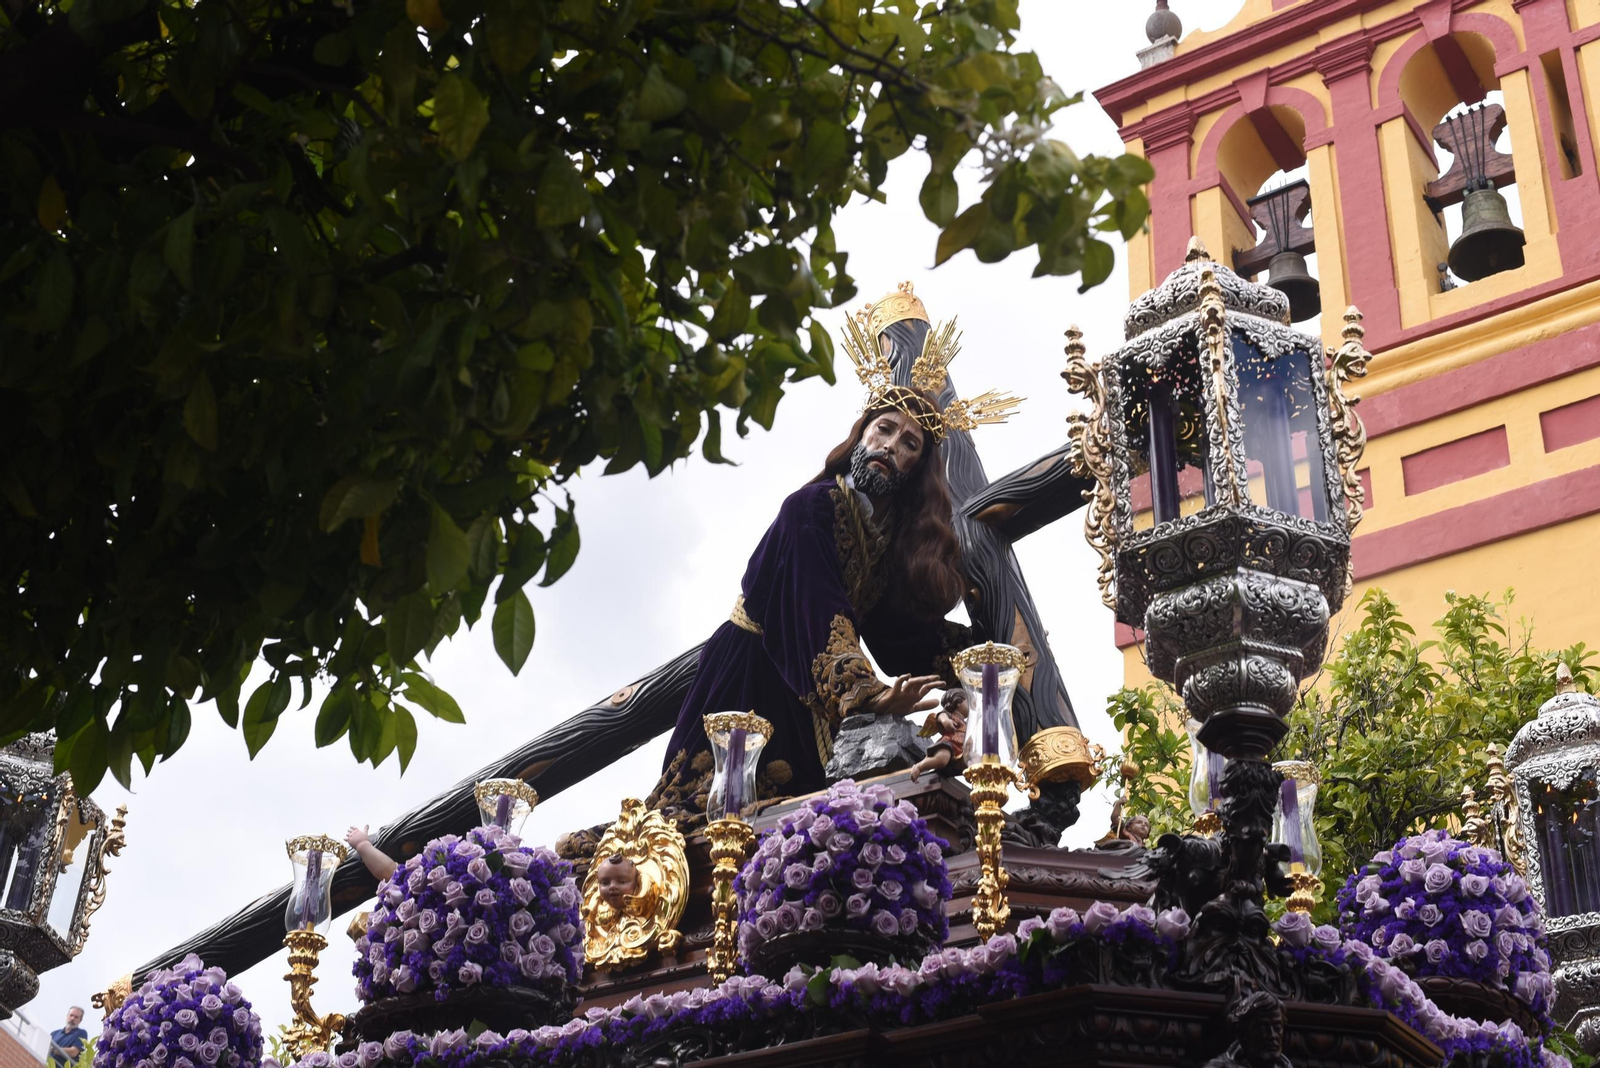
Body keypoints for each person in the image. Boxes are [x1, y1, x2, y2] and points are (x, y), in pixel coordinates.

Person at [559, 284, 1018, 860]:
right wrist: (868, 694)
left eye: (908, 443)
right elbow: (818, 606)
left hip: (806, 691)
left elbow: (896, 627)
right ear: (861, 432)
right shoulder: (813, 507)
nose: (891, 446)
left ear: (916, 467)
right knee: (719, 827)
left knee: (799, 835)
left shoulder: (878, 534)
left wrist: (971, 663)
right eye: (884, 429)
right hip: (750, 677)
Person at [909, 690, 969, 782]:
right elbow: (940, 716)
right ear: (958, 703)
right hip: (949, 743)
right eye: (968, 702)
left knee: (971, 762)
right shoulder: (950, 715)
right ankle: (919, 767)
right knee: (942, 759)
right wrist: (945, 721)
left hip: (960, 749)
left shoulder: (966, 724)